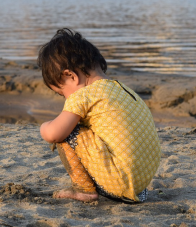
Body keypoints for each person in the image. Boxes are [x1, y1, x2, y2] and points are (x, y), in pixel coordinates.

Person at [37, 28, 161, 203]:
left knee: (66, 131)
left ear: (71, 76)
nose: (65, 98)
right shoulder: (121, 89)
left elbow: (54, 134)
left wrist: (45, 126)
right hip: (140, 185)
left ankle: (84, 190)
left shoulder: (84, 95)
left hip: (119, 183)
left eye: (61, 93)